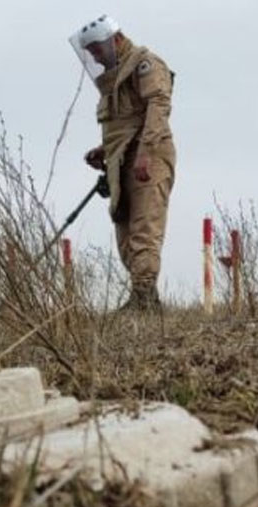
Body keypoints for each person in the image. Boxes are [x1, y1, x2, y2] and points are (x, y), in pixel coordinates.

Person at [72, 15, 176, 311]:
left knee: (145, 226)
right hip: (122, 160)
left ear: (115, 40)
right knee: (124, 228)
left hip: (150, 155)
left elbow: (158, 106)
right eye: (90, 52)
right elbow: (127, 123)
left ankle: (143, 297)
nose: (94, 56)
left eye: (97, 49)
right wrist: (103, 149)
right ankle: (144, 297)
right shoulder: (114, 80)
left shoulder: (145, 64)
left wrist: (145, 153)